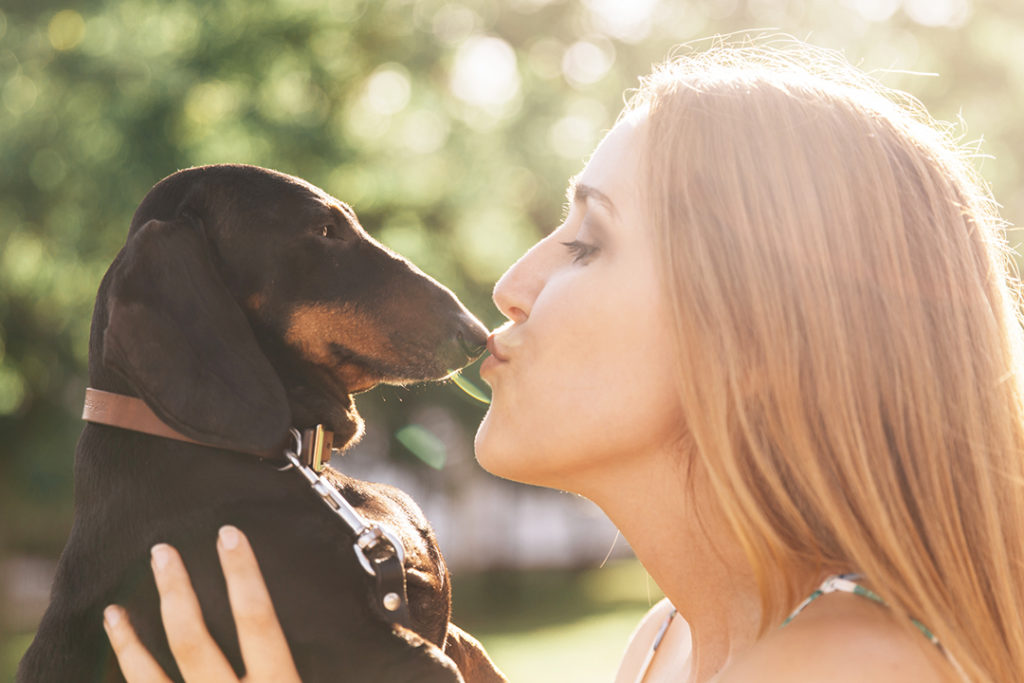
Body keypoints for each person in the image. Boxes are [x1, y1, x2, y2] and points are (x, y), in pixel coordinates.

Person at [101, 38, 1024, 682]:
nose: (510, 283)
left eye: (586, 244)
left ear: (753, 337)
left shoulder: (847, 671)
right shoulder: (668, 647)